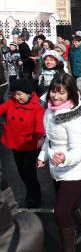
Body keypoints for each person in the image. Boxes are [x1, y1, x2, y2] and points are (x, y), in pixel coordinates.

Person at [36, 73, 81, 251]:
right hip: (57, 167)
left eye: (61, 92)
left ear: (70, 93)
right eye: (53, 91)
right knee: (71, 201)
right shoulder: (50, 110)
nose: (55, 96)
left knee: (61, 212)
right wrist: (42, 157)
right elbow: (50, 139)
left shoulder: (74, 117)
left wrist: (65, 158)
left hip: (75, 169)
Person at [0, 79, 45, 208]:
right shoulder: (11, 103)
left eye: (20, 94)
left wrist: (39, 137)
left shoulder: (37, 107)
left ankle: (34, 195)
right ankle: (30, 191)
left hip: (30, 145)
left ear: (29, 93)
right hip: (16, 144)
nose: (16, 97)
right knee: (21, 171)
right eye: (15, 94)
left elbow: (39, 128)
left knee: (28, 171)